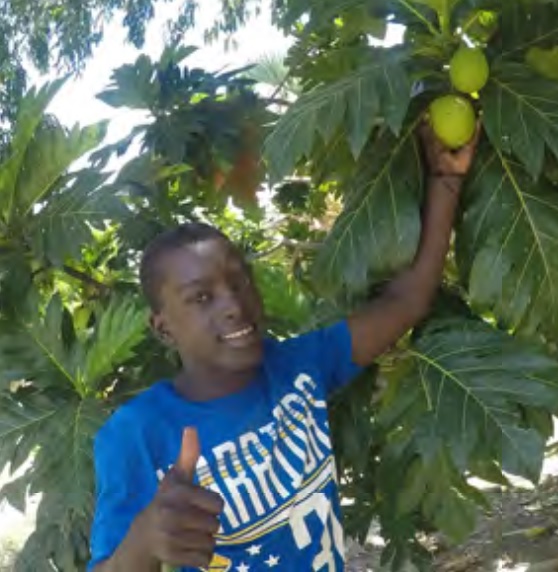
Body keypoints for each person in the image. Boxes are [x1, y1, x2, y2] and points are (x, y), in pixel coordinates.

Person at [88, 122, 480, 572]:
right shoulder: (137, 434)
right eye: (202, 297)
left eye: (240, 282)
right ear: (163, 329)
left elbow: (407, 300)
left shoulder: (300, 367)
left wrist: (446, 178)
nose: (235, 304)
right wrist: (142, 541)